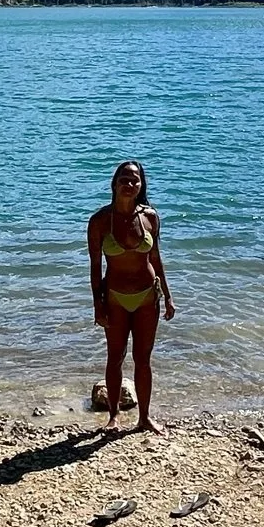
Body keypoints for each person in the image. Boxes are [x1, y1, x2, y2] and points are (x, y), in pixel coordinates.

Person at [88, 160, 175, 434]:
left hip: (148, 296)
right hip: (114, 297)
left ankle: (144, 418)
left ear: (141, 186)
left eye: (135, 180)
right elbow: (94, 268)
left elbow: (156, 259)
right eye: (124, 179)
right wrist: (97, 305)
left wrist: (169, 297)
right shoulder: (100, 221)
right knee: (115, 357)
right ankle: (113, 417)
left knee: (143, 359)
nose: (129, 184)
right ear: (114, 183)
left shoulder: (150, 217)